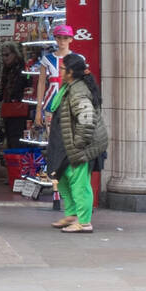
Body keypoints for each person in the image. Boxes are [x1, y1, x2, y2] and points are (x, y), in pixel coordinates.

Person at [46, 53, 107, 234]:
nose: (60, 70)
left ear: (71, 72)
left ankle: (85, 221)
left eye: (63, 68)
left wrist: (79, 144)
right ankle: (72, 214)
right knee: (63, 178)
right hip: (67, 144)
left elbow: (86, 120)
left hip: (78, 147)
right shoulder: (70, 87)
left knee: (79, 184)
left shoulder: (78, 91)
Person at [34, 25, 76, 129]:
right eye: (59, 37)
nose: (62, 41)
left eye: (65, 38)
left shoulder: (78, 59)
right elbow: (41, 83)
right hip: (50, 104)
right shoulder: (46, 59)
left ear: (71, 39)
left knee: (70, 141)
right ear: (55, 38)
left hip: (72, 104)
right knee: (52, 140)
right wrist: (38, 110)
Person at [0, 43, 29, 150]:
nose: (4, 58)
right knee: (11, 136)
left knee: (16, 137)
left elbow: (24, 86)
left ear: (14, 54)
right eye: (3, 55)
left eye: (7, 55)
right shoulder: (7, 69)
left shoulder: (22, 68)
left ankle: (17, 160)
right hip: (10, 108)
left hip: (19, 108)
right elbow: (3, 86)